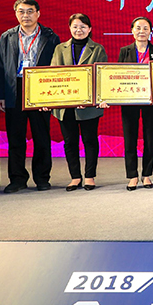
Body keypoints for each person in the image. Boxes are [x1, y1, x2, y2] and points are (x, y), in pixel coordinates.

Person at [0, 0, 61, 193]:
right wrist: (0, 94)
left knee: (42, 136)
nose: (26, 15)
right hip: (14, 87)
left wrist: (53, 96)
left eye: (30, 11)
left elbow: (57, 68)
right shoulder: (7, 37)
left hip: (40, 89)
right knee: (16, 136)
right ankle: (17, 179)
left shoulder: (50, 36)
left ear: (38, 14)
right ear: (16, 14)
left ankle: (42, 178)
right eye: (21, 11)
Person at [50, 13, 107, 192]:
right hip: (66, 105)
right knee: (70, 142)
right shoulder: (60, 48)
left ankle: (89, 176)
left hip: (89, 106)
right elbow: (53, 75)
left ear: (89, 29)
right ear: (70, 28)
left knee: (90, 141)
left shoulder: (97, 49)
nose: (79, 30)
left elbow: (101, 76)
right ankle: (75, 177)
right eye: (75, 26)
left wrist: (88, 98)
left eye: (83, 27)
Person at [117, 17, 153, 192]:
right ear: (132, 30)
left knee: (149, 138)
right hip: (129, 101)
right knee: (129, 138)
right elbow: (118, 75)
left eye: (145, 28)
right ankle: (132, 175)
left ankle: (147, 174)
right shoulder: (125, 51)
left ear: (151, 31)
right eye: (138, 28)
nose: (141, 31)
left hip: (151, 101)